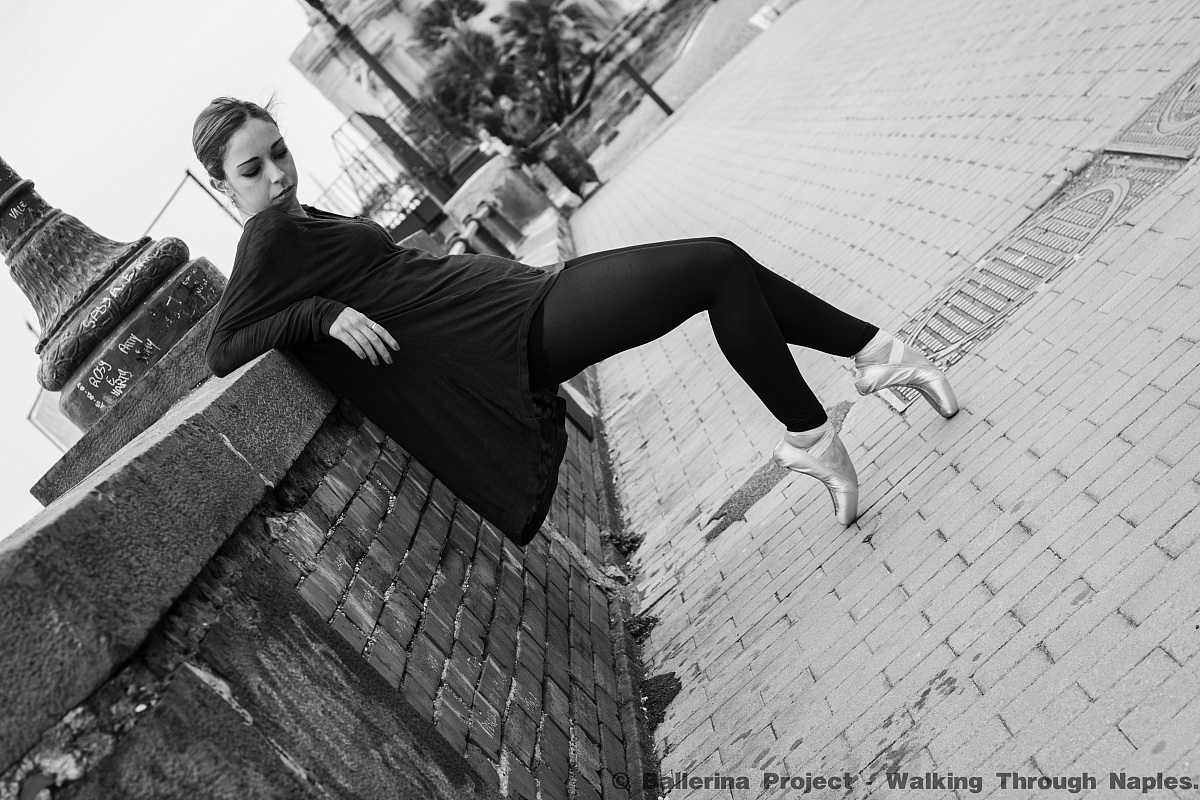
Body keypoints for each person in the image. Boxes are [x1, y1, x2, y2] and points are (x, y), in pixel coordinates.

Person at [196, 97, 958, 545]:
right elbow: (222, 349)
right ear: (222, 184)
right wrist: (322, 315)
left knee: (730, 273)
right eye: (253, 169)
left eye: (280, 152)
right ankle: (817, 431)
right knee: (716, 266)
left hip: (517, 301)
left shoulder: (298, 217)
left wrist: (327, 300)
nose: (279, 174)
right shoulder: (266, 237)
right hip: (510, 334)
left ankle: (874, 356)